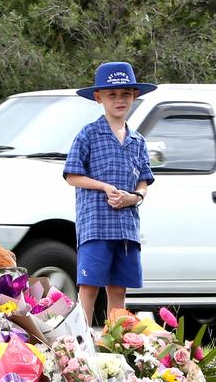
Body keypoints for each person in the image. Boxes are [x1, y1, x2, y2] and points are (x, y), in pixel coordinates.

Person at [63, 61, 156, 325]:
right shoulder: (89, 134)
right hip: (96, 227)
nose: (119, 100)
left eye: (125, 94)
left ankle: (115, 346)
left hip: (126, 229)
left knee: (118, 290)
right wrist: (104, 186)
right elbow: (72, 176)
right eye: (111, 94)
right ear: (99, 97)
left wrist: (134, 198)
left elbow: (144, 182)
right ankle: (80, 347)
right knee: (89, 287)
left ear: (134, 96)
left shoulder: (138, 140)